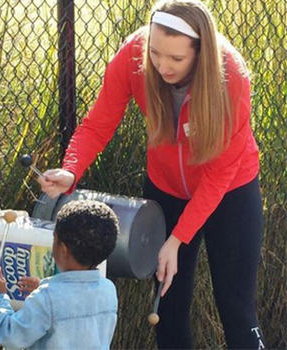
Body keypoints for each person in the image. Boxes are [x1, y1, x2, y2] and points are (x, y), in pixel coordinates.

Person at [37, 0, 265, 349]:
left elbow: (219, 173)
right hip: (166, 191)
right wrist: (71, 170)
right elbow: (98, 124)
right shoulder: (134, 54)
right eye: (156, 53)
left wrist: (176, 240)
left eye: (176, 59)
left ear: (201, 53)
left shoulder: (230, 75)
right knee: (168, 307)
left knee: (236, 308)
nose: (162, 66)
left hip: (230, 191)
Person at [0, 200, 119, 350]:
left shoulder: (47, 298)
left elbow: (12, 336)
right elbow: (73, 302)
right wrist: (44, 287)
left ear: (63, 250)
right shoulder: (108, 289)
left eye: (54, 239)